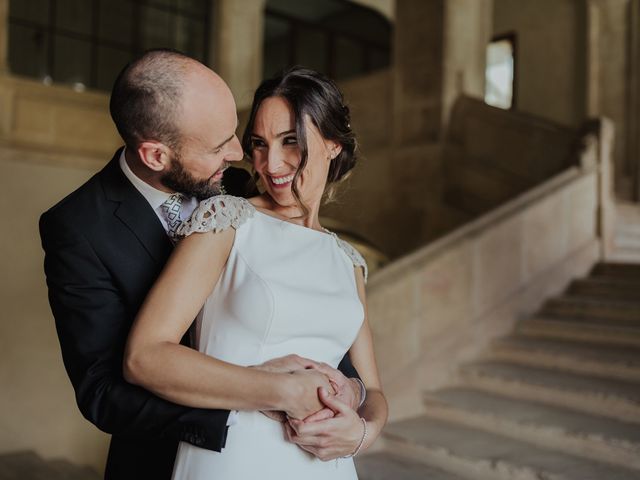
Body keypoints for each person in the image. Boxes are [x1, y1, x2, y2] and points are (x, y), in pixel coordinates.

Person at [39, 50, 365, 480]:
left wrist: (353, 405)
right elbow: (102, 392)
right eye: (219, 144)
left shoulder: (241, 188)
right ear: (156, 155)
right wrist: (257, 403)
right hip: (172, 458)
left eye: (236, 135)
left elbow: (308, 318)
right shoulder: (78, 227)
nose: (241, 155)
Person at [124, 66, 388, 479]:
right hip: (234, 458)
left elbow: (372, 390)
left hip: (328, 466)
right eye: (259, 144)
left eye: (291, 142)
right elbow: (145, 356)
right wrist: (282, 390)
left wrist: (361, 433)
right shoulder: (227, 220)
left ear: (333, 144)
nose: (271, 163)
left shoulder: (348, 260)